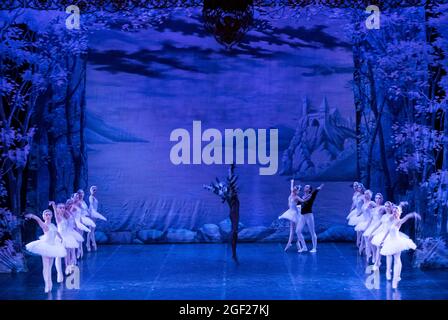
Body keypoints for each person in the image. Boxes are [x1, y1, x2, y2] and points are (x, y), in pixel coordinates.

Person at [25, 210, 66, 293]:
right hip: (46, 247)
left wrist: (61, 238)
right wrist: (32, 215)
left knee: (50, 267)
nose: (48, 216)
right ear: (43, 216)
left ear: (51, 216)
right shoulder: (44, 225)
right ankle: (47, 284)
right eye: (46, 214)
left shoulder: (52, 225)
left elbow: (56, 232)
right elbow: (38, 219)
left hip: (53, 247)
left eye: (49, 214)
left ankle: (50, 282)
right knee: (46, 267)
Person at [379, 206, 420, 289]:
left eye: (396, 211)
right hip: (390, 241)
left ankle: (395, 280)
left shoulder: (399, 221)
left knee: (397, 260)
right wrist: (382, 240)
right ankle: (391, 273)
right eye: (393, 211)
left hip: (397, 242)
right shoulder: (391, 220)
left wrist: (414, 214)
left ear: (399, 213)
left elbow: (406, 217)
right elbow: (387, 231)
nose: (394, 213)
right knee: (390, 257)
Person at [296, 183, 324, 253]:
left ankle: (314, 248)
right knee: (298, 231)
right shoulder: (301, 197)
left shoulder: (311, 195)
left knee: (312, 232)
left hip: (309, 215)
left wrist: (320, 187)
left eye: (307, 187)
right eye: (305, 186)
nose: (305, 187)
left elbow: (316, 191)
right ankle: (304, 247)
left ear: (309, 189)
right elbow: (298, 206)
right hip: (302, 216)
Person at [278, 179, 302, 252]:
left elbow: (292, 188)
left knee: (295, 230)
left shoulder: (294, 195)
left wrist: (292, 182)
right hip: (293, 213)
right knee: (296, 230)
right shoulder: (295, 195)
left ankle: (293, 242)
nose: (294, 191)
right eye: (297, 190)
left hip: (293, 213)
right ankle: (293, 243)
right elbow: (303, 201)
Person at [87, 186, 107, 251]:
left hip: (94, 214)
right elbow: (91, 206)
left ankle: (93, 243)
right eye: (93, 190)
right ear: (91, 190)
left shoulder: (94, 197)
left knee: (92, 230)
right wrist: (92, 213)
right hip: (92, 214)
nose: (95, 191)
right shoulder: (91, 197)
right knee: (90, 230)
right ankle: (88, 244)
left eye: (95, 190)